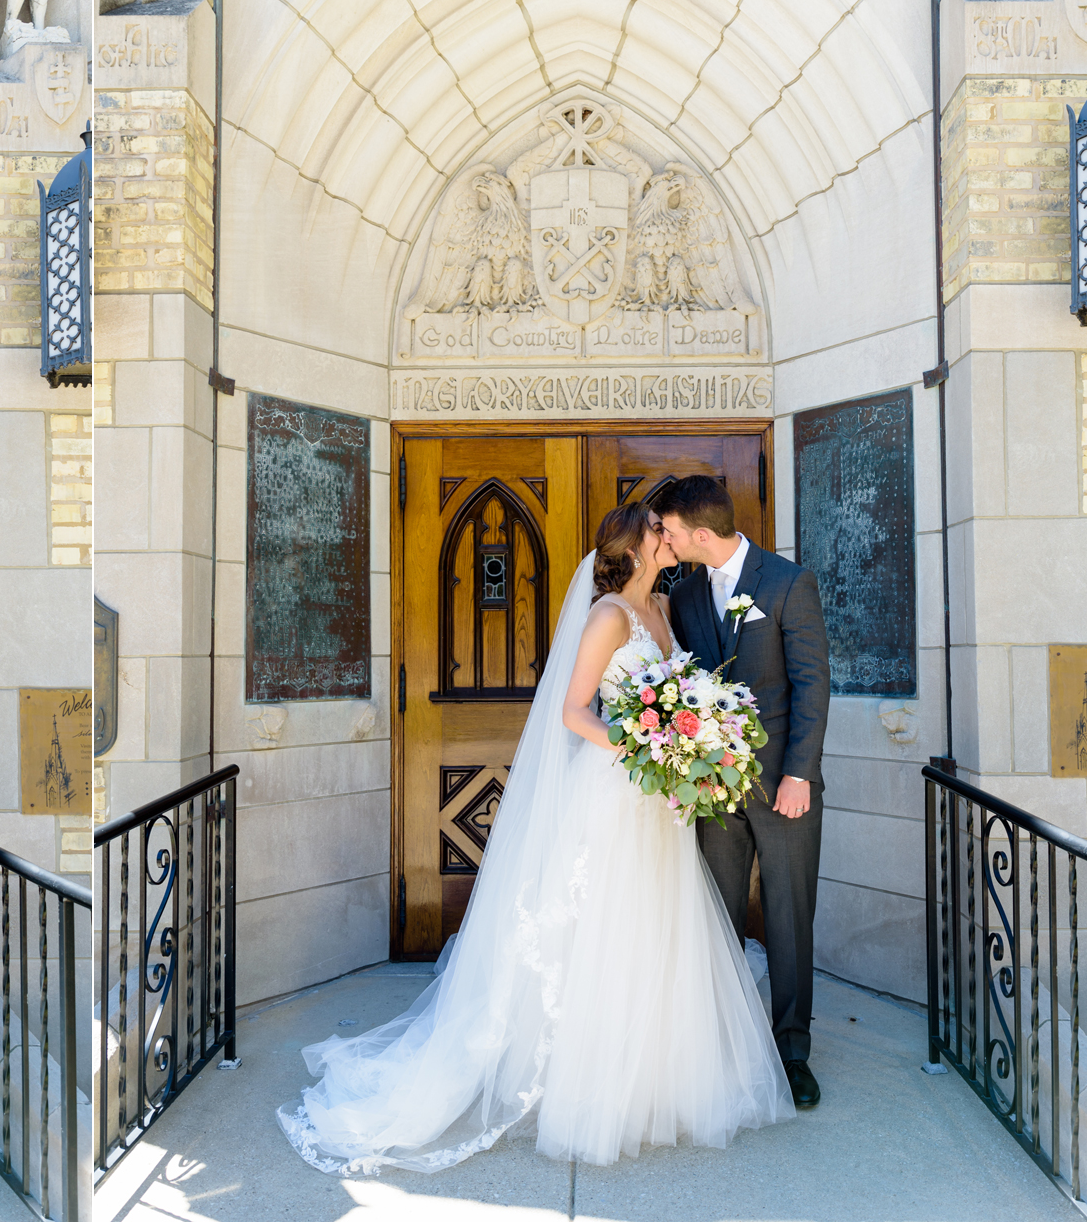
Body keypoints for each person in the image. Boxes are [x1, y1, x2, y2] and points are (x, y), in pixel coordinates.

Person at [280, 504, 792, 1175]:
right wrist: (647, 741)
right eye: (658, 530)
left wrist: (689, 738)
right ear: (635, 544)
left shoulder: (665, 608)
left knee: (654, 929)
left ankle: (655, 1081)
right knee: (598, 929)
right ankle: (589, 1085)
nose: (670, 537)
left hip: (660, 798)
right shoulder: (607, 615)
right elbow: (574, 710)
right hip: (615, 788)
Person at [650, 474, 830, 1110]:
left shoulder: (787, 583)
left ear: (700, 534)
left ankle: (792, 1050)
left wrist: (799, 774)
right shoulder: (684, 591)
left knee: (788, 919)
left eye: (668, 530)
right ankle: (721, 1041)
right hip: (714, 793)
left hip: (785, 786)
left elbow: (812, 685)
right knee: (715, 917)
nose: (662, 540)